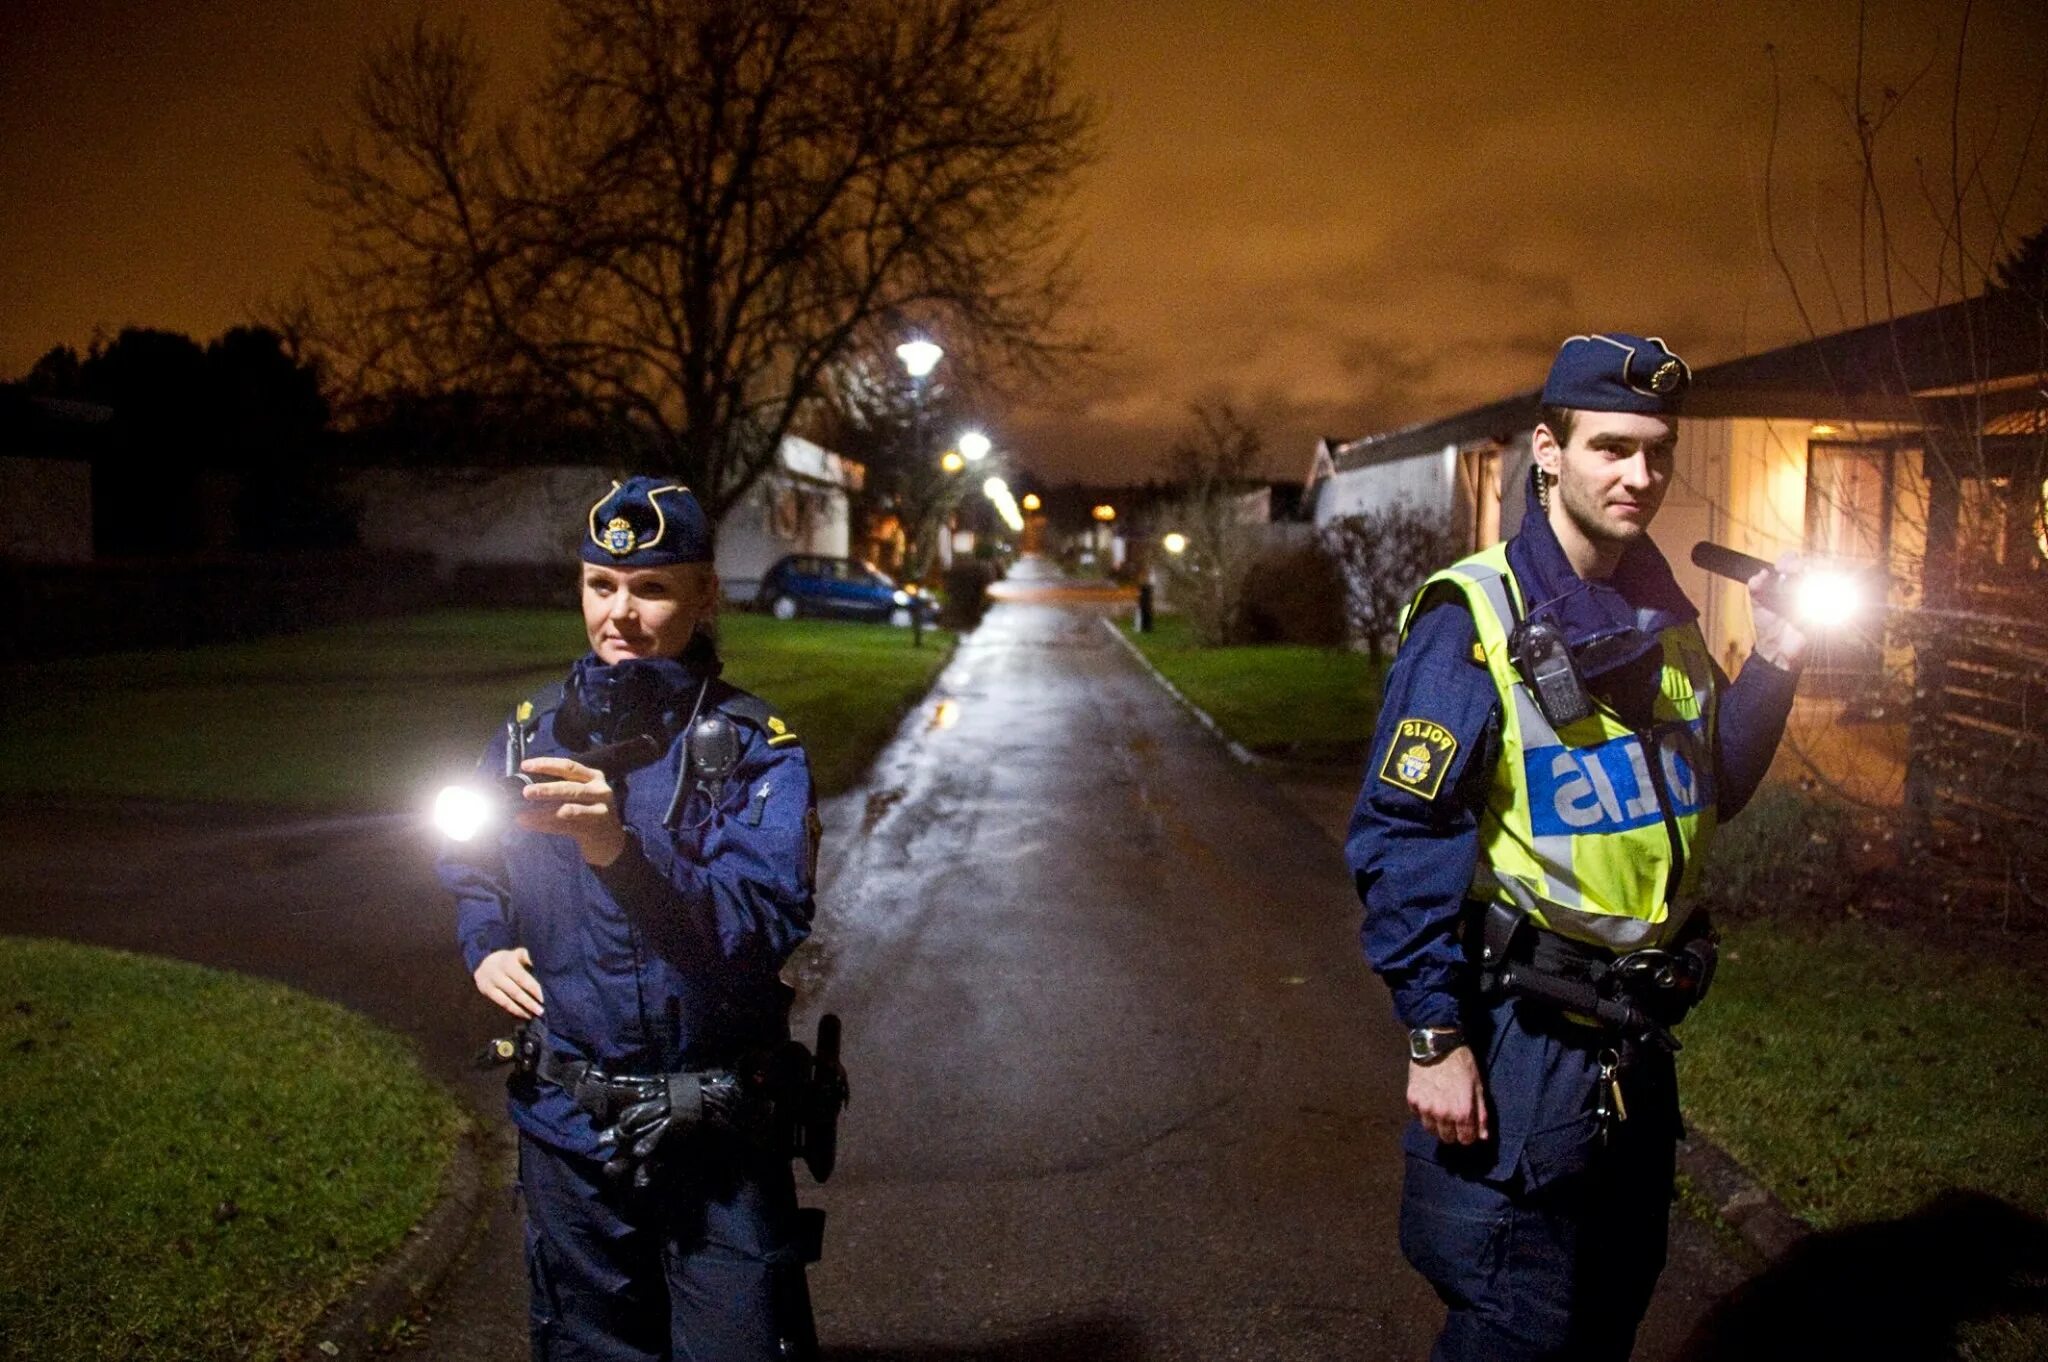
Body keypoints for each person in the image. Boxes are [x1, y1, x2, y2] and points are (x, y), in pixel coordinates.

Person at [1347, 334, 1810, 1361]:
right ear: (1548, 451)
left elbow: (1709, 790)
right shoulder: (1474, 617)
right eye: (1610, 447)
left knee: (1608, 1313)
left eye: (1657, 450)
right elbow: (1402, 832)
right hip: (1522, 1040)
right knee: (1515, 1328)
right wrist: (1433, 1035)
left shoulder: (1664, 619)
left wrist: (1775, 657)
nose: (1640, 475)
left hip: (1634, 1041)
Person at [438, 476, 826, 1361]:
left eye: (651, 587)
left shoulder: (754, 748)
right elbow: (468, 852)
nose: (620, 613)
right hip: (568, 1130)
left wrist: (620, 850)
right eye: (600, 584)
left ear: (704, 594)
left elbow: (764, 921)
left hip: (717, 1136)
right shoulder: (527, 733)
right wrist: (485, 940)